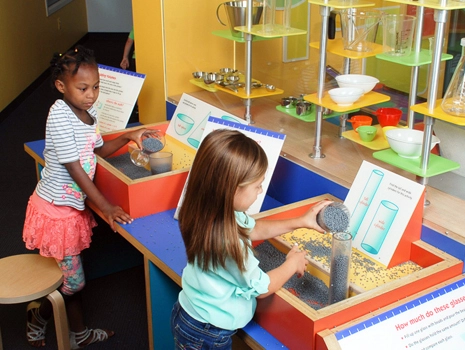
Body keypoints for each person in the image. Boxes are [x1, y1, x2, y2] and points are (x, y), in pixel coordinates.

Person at [22, 45, 155, 348]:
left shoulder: (89, 112)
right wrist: (106, 208)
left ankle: (78, 334)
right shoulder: (58, 115)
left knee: (71, 279)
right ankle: (39, 317)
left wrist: (126, 137)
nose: (91, 94)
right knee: (73, 282)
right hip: (56, 211)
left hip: (72, 209)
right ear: (61, 86)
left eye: (95, 87)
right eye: (83, 88)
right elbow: (75, 170)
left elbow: (93, 152)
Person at [170, 129, 331, 349]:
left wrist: (300, 221)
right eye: (257, 186)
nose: (260, 191)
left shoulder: (206, 208)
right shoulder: (229, 242)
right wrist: (291, 264)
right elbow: (263, 287)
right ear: (233, 190)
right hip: (208, 333)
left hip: (189, 313)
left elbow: (254, 229)